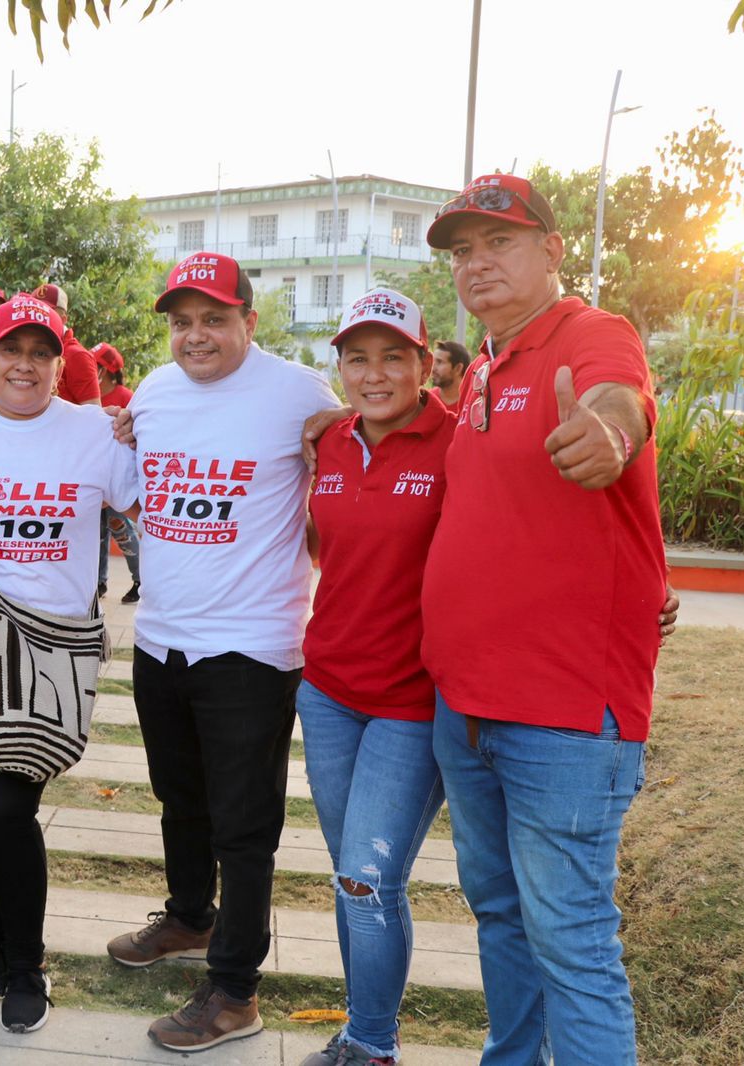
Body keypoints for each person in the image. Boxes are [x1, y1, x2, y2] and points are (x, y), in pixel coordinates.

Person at [416, 174, 664, 1066]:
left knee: (572, 940)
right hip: (468, 708)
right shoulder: (485, 364)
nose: (476, 264)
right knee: (500, 916)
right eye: (461, 250)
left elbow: (617, 402)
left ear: (552, 252)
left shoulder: (590, 336)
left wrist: (608, 436)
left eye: (499, 243)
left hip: (562, 717)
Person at [106, 252, 339, 1052]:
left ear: (250, 319)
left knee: (244, 829)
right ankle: (189, 918)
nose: (195, 336)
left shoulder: (303, 395)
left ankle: (236, 991)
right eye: (181, 322)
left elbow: (350, 478)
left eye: (213, 318)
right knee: (181, 801)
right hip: (163, 639)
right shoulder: (155, 392)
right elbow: (139, 492)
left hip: (252, 648)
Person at [0, 292, 138, 1034]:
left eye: (41, 353)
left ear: (60, 363)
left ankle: (28, 964)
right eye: (10, 351)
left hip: (48, 651)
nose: (25, 365)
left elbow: (156, 494)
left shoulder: (95, 434)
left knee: (1, 803)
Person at [295, 289, 454, 1066]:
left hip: (413, 703)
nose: (376, 372)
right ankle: (362, 1032)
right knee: (350, 877)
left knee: (367, 878)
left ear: (427, 364)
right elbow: (333, 554)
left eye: (395, 355)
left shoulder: (460, 445)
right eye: (358, 357)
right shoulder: (326, 442)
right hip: (326, 691)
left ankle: (373, 1045)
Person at [92, 342, 141, 603]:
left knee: (121, 529)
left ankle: (139, 579)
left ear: (108, 370)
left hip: (119, 479)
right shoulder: (91, 394)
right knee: (98, 533)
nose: (92, 370)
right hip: (97, 477)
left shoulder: (127, 397)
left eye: (96, 366)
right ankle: (100, 582)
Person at [30, 283, 101, 404]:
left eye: (48, 312)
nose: (39, 316)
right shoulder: (29, 348)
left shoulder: (77, 356)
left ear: (63, 319)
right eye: (35, 309)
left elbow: (93, 414)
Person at [430, 339, 470, 410]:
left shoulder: (473, 402)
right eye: (433, 362)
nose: (433, 369)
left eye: (439, 362)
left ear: (458, 368)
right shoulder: (426, 401)